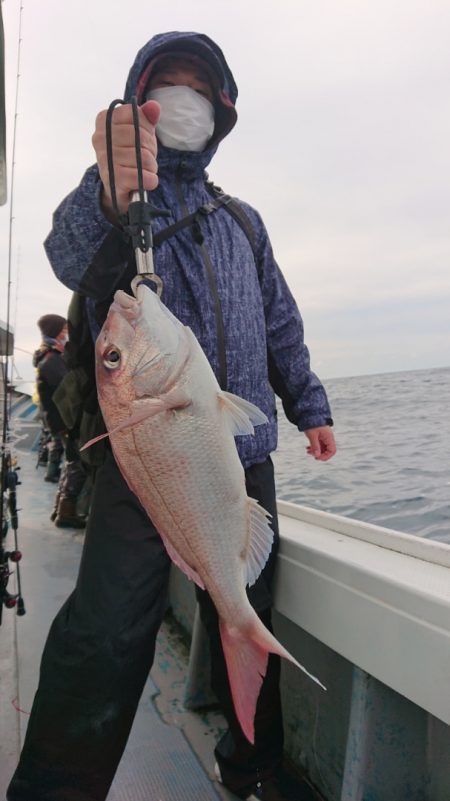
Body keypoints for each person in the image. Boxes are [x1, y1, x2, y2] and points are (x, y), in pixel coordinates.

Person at [7, 32, 336, 801]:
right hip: (144, 458)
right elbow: (63, 251)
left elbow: (279, 321)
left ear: (220, 111)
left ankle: (253, 771)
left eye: (199, 88)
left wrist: (309, 405)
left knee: (247, 610)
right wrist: (110, 192)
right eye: (168, 86)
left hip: (239, 452)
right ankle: (54, 789)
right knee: (106, 628)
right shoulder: (121, 202)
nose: (185, 102)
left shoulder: (243, 221)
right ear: (140, 104)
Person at [33, 314, 87, 528]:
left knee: (72, 461)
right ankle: (66, 511)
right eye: (64, 330)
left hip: (59, 420)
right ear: (56, 331)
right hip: (64, 420)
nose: (66, 334)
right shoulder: (51, 360)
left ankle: (60, 508)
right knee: (77, 463)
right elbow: (68, 389)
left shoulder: (49, 357)